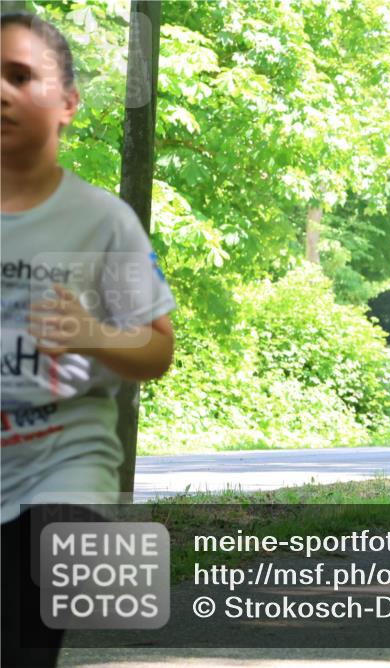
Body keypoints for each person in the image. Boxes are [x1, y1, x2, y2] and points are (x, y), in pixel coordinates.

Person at [1, 13, 177, 666]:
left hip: (62, 462)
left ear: (68, 103)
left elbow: (158, 351)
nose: (2, 91)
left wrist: (92, 333)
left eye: (20, 76)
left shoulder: (106, 221)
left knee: (24, 632)